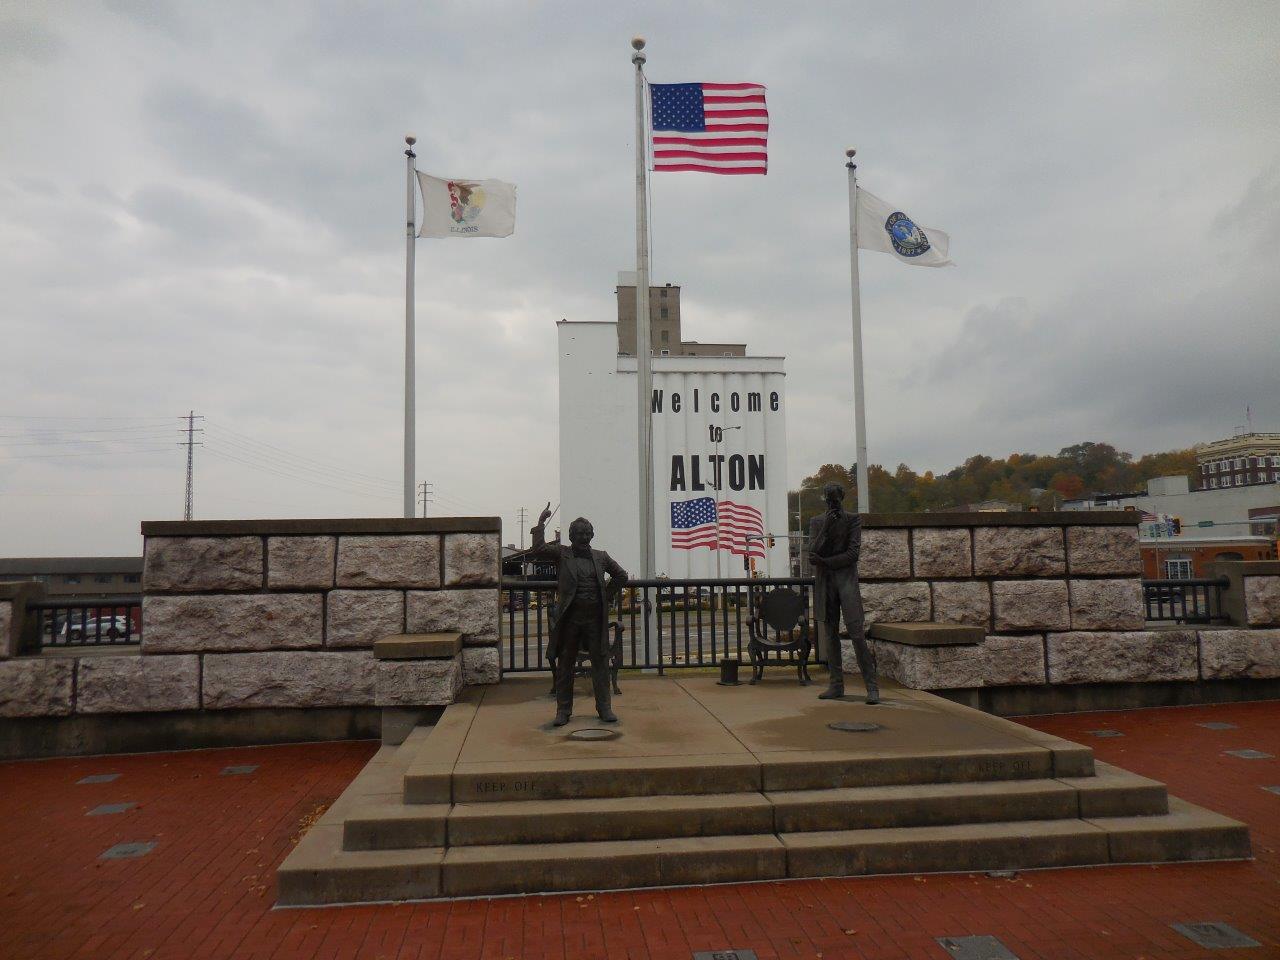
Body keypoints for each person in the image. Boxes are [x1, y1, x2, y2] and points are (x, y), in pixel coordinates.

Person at [531, 508, 629, 726]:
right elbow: (538, 548)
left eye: (587, 534)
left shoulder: (600, 557)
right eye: (579, 534)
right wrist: (540, 523)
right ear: (571, 536)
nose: (583, 537)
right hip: (571, 620)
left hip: (595, 619)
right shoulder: (562, 553)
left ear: (592, 536)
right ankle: (563, 710)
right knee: (565, 663)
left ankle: (604, 707)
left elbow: (621, 575)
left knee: (600, 663)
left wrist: (606, 593)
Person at [808, 482, 879, 703]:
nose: (832, 504)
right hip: (826, 584)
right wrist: (827, 528)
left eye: (835, 500)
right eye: (829, 501)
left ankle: (872, 687)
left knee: (857, 634)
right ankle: (836, 685)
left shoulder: (853, 520)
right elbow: (812, 554)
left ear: (842, 498)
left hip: (846, 581)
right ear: (825, 500)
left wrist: (826, 562)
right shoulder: (817, 522)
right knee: (830, 635)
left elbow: (852, 554)